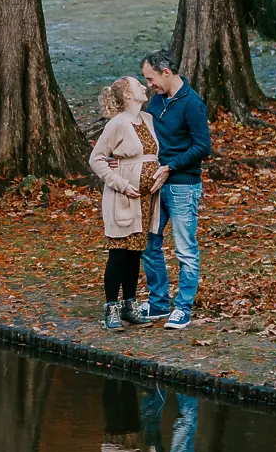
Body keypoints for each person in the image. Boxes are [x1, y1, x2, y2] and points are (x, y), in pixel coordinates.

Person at [140, 50, 210, 330]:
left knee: (185, 249)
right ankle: (158, 303)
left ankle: (183, 307)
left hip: (182, 186)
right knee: (149, 243)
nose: (149, 85)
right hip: (157, 185)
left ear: (166, 72)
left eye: (151, 78)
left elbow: (202, 147)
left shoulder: (192, 104)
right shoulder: (157, 103)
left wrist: (170, 167)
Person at [88, 75, 161, 330]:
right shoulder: (117, 124)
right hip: (123, 198)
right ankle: (111, 308)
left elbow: (149, 156)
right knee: (118, 254)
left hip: (145, 199)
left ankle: (130, 305)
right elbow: (96, 159)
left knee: (134, 254)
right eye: (137, 84)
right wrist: (119, 182)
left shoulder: (148, 120)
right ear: (128, 94)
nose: (143, 86)